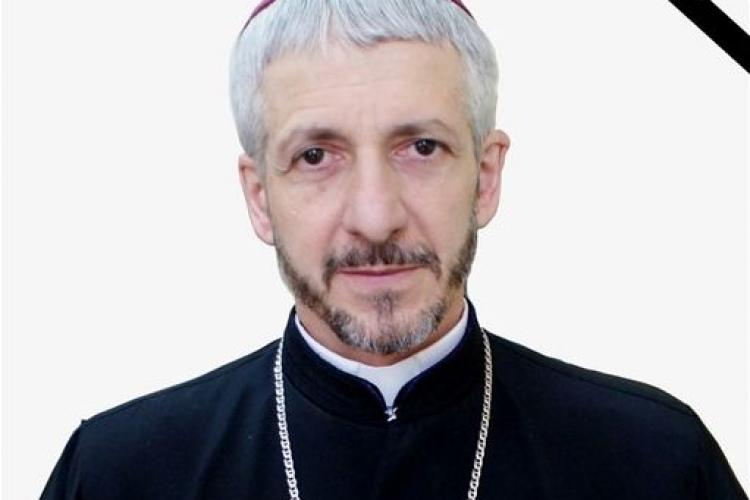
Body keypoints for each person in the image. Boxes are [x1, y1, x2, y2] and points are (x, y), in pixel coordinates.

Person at [41, 0, 746, 498]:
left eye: (422, 147)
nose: (375, 219)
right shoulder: (118, 474)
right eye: (316, 156)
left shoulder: (654, 462)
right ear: (259, 196)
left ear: (486, 177)